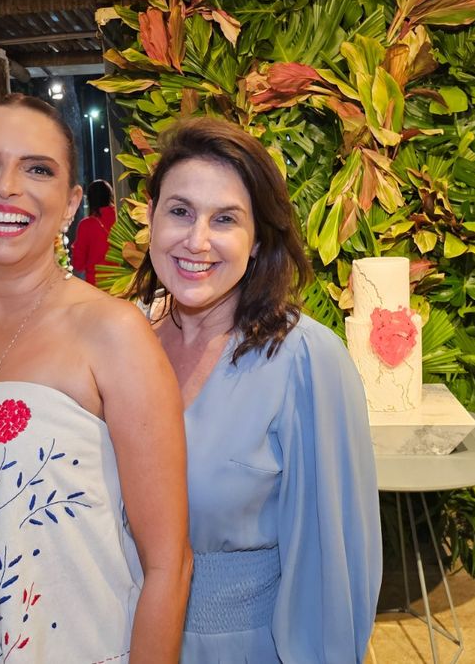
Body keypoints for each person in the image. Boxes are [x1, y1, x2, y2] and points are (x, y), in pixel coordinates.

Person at [0, 94, 192, 663]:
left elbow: (168, 565)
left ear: (71, 201)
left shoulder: (112, 331)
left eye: (37, 169)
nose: (6, 186)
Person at [128, 117, 382, 662]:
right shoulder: (121, 343)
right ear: (151, 218)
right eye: (180, 211)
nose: (197, 240)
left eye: (225, 219)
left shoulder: (305, 361)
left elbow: (334, 566)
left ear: (258, 238)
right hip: (119, 638)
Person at [70, 178, 117, 285]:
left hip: (97, 285)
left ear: (90, 200)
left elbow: (78, 264)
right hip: (122, 283)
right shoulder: (120, 217)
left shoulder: (86, 225)